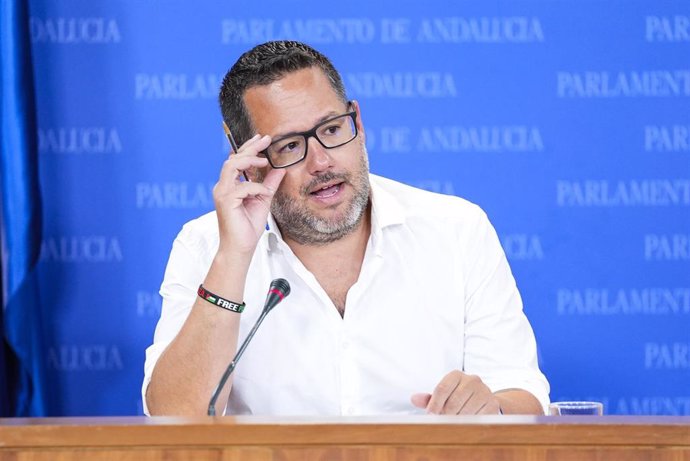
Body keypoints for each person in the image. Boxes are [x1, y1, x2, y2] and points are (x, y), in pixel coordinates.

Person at [143, 40, 549, 416]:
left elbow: (525, 396)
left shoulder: (456, 230)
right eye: (289, 146)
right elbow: (173, 420)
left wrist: (490, 408)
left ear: (357, 119)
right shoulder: (205, 247)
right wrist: (233, 257)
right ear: (245, 157)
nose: (321, 164)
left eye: (332, 130)